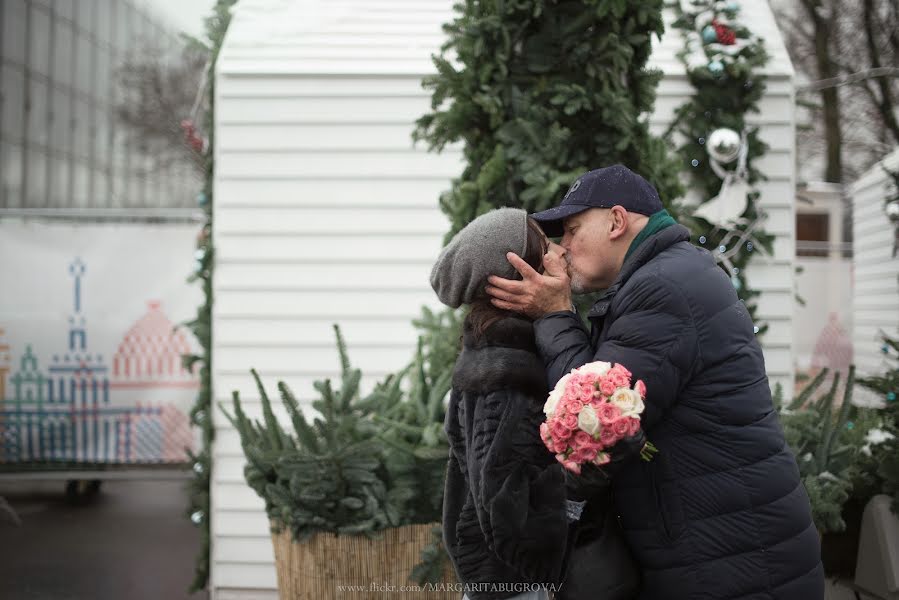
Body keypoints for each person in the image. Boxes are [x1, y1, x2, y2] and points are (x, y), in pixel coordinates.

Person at [485, 165, 825, 600]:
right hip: (729, 551)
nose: (563, 248)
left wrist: (555, 313)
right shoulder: (666, 275)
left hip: (734, 566)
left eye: (571, 230)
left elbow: (596, 418)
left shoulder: (662, 290)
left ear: (617, 221)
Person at [431, 207, 640, 600]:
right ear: (520, 274)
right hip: (521, 586)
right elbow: (509, 510)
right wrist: (588, 468)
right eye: (546, 247)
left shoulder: (517, 347)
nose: (561, 252)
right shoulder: (505, 366)